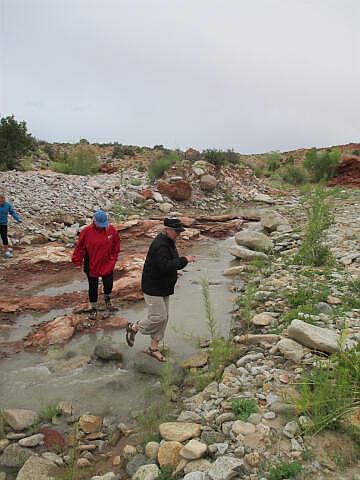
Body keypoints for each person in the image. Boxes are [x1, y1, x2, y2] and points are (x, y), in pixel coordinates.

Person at [126, 217, 196, 362]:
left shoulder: (169, 242)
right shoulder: (160, 245)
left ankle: (153, 348)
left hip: (163, 286)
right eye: (177, 231)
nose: (179, 234)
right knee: (158, 317)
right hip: (153, 287)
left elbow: (174, 264)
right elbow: (165, 266)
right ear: (168, 230)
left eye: (180, 231)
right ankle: (133, 327)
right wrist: (185, 260)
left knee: (164, 318)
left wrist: (183, 261)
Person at [72, 209, 120, 322]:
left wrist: (114, 258)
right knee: (92, 286)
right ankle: (94, 308)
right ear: (94, 221)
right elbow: (80, 248)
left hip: (107, 263)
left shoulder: (111, 230)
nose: (102, 227)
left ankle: (107, 299)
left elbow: (116, 245)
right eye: (100, 225)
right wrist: (77, 261)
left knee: (108, 284)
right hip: (91, 263)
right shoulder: (86, 231)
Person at [0, 193, 22, 258]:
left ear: (4, 200)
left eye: (2, 201)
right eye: (0, 202)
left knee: (4, 237)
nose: (1, 203)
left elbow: (12, 212)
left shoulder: (7, 205)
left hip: (3, 224)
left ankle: (6, 251)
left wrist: (18, 219)